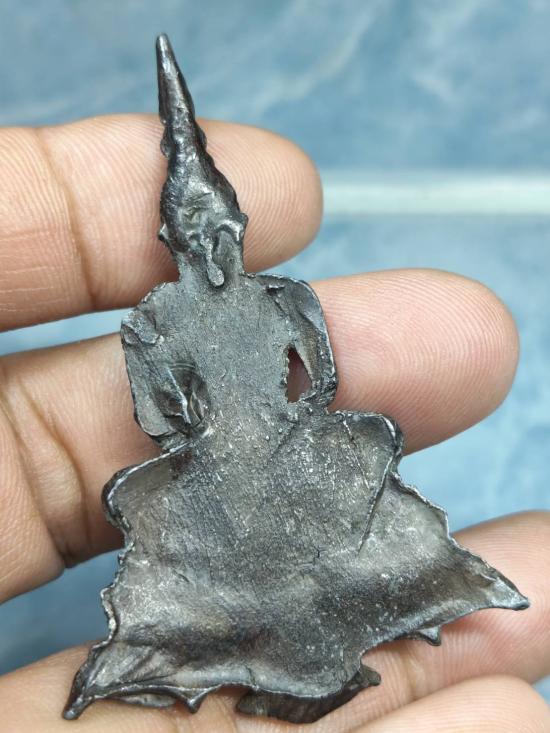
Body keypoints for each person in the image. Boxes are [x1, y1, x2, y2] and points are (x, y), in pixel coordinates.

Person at [0, 83, 548, 732]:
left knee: (360, 493)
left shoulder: (283, 297)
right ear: (172, 241)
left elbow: (322, 378)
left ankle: (380, 622)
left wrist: (296, 423)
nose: (209, 246)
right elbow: (155, 417)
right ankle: (204, 657)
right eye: (192, 235)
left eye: (217, 231)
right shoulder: (155, 318)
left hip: (291, 442)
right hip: (210, 461)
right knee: (160, 533)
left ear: (237, 228)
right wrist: (189, 419)